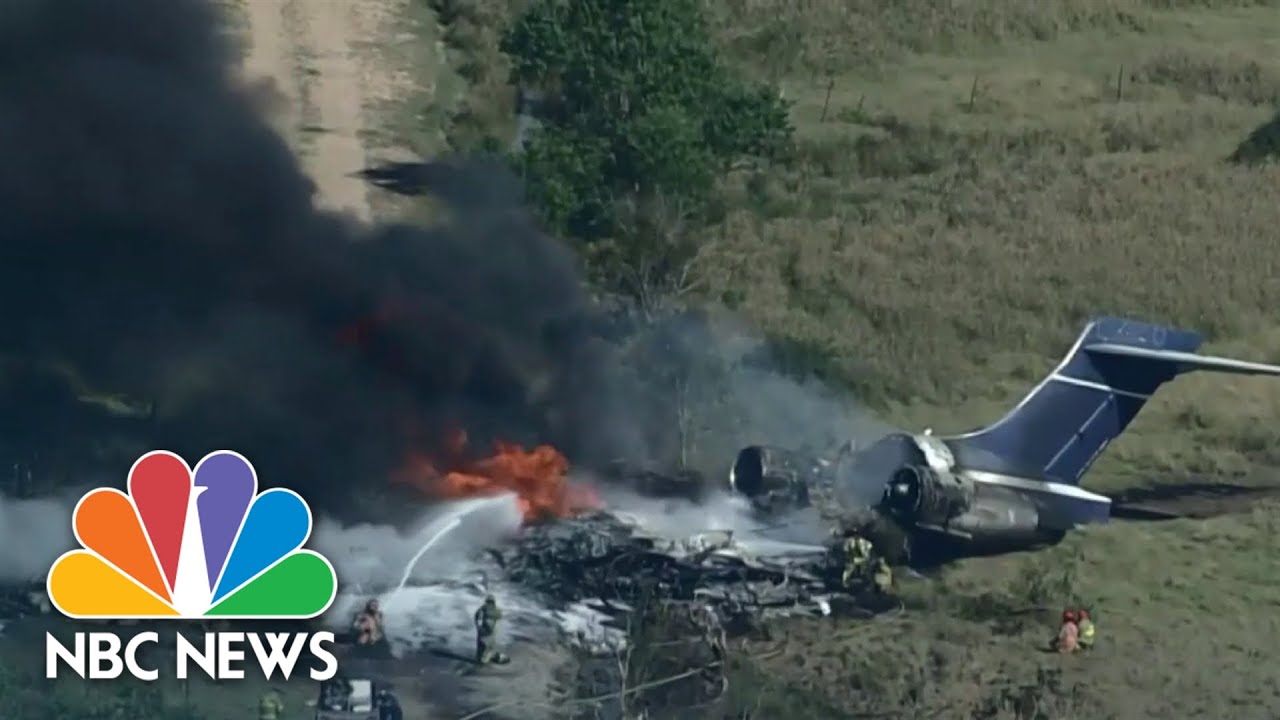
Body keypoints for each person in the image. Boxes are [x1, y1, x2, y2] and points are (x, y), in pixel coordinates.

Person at [474, 595, 509, 664]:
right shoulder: (497, 610)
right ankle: (486, 659)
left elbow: (476, 617)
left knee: (481, 648)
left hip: (482, 631)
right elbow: (499, 617)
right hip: (489, 632)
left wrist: (478, 627)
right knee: (488, 648)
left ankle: (481, 659)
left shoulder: (483, 608)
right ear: (494, 602)